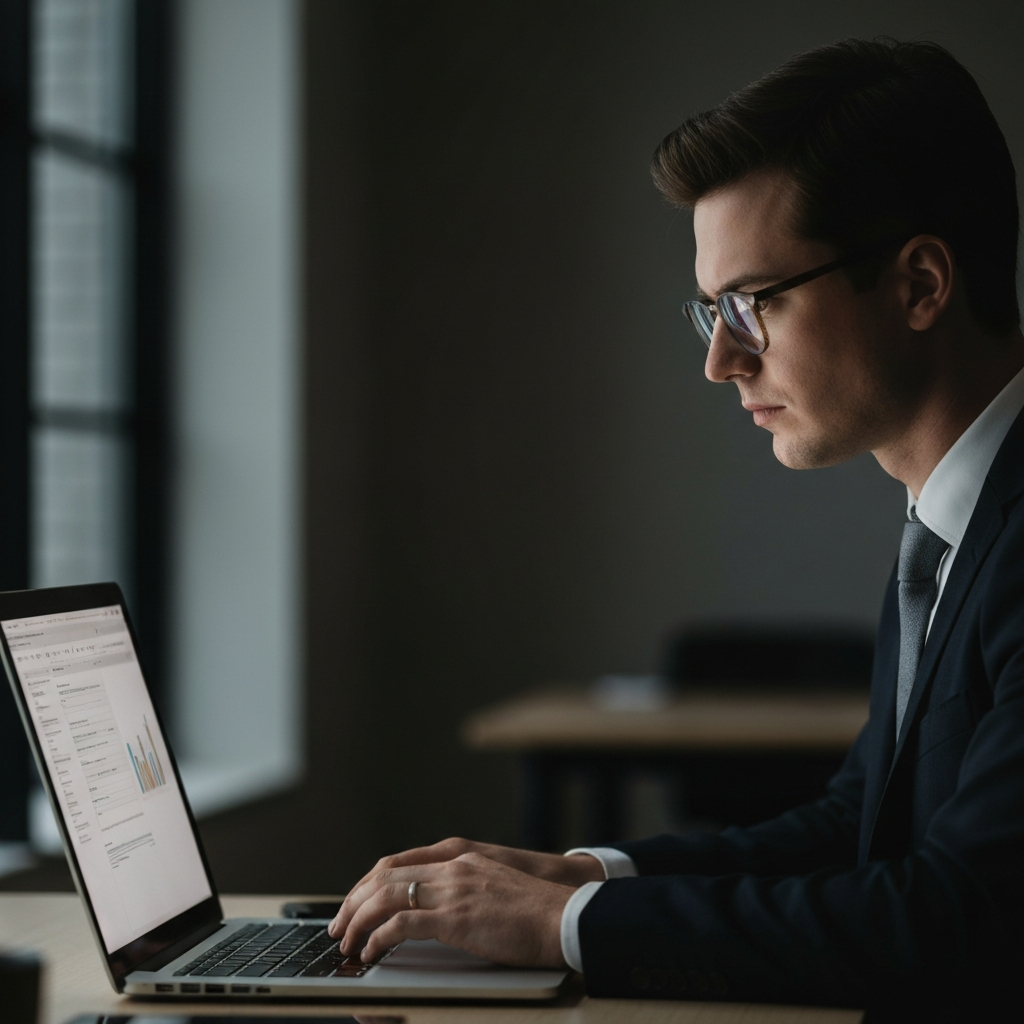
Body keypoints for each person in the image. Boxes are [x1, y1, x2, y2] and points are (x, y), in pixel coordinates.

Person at [328, 38, 1024, 1015]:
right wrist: (575, 880)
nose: (722, 361)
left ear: (918, 285)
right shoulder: (952, 525)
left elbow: (955, 921)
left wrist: (553, 929)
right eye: (711, 312)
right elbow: (855, 827)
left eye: (755, 302)